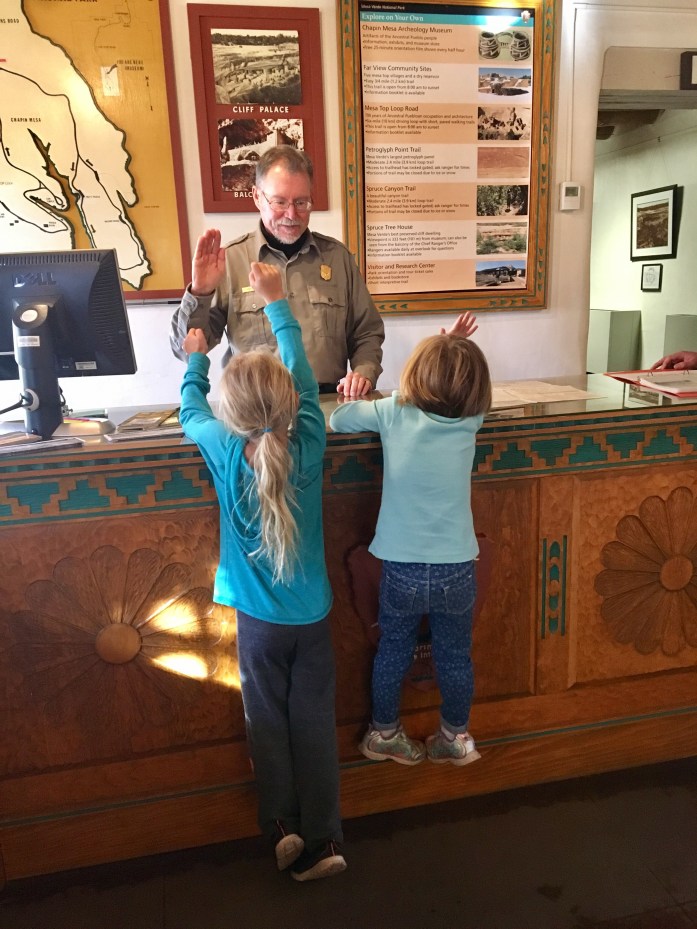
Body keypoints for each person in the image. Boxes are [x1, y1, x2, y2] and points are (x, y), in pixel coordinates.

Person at [179, 260, 345, 882]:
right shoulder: (309, 441)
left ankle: (281, 827)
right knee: (314, 727)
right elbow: (301, 375)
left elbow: (189, 409)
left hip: (258, 624)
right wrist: (277, 304)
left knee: (266, 724)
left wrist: (196, 360)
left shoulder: (223, 448)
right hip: (312, 619)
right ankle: (325, 842)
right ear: (292, 404)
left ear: (232, 414)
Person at [329, 313, 491, 767]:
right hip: (457, 566)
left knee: (393, 649)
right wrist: (454, 350)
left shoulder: (393, 410)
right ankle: (455, 737)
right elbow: (459, 385)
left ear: (414, 376)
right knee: (455, 656)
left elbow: (339, 419)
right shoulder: (472, 419)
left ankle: (383, 734)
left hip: (400, 566)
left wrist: (433, 359)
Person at [171, 145, 384, 398]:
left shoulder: (337, 258)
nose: (291, 214)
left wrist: (363, 372)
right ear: (257, 197)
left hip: (324, 404)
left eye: (301, 202)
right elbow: (185, 349)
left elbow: (367, 332)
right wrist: (200, 292)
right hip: (255, 409)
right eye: (280, 202)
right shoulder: (230, 261)